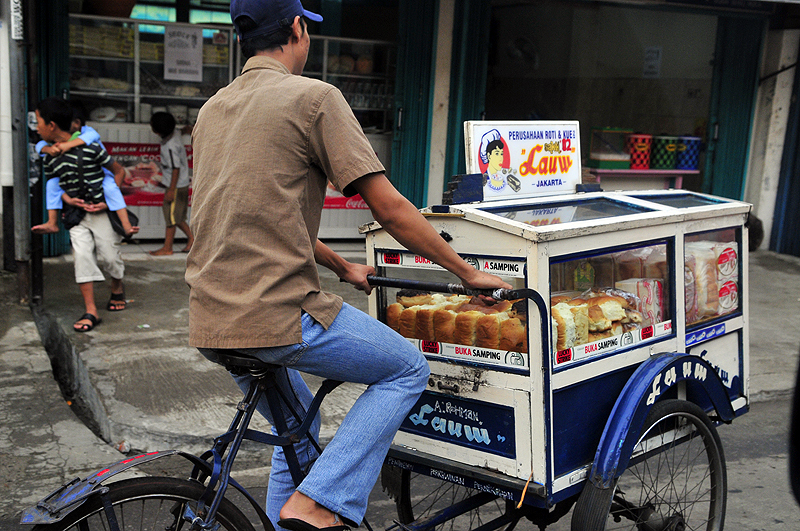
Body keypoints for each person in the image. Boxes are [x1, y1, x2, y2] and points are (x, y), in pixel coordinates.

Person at [185, 2, 511, 531]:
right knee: (407, 369)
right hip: (279, 313)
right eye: (306, 26)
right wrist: (466, 272)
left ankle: (298, 511)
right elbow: (389, 208)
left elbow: (258, 213)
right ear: (297, 28)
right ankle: (319, 505)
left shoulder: (213, 109)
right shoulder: (314, 98)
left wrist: (342, 267)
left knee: (298, 437)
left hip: (211, 319)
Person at [34, 96, 129, 331]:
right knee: (83, 257)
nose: (36, 128)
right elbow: (55, 185)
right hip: (77, 216)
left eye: (38, 122)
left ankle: (117, 287)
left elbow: (118, 171)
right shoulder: (50, 157)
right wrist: (68, 199)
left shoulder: (91, 147)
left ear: (52, 125)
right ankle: (91, 310)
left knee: (110, 257)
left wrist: (108, 201)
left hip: (101, 213)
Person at [32, 103, 139, 240]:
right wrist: (49, 149)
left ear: (76, 123)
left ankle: (126, 225)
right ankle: (52, 222)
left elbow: (89, 140)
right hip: (79, 207)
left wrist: (67, 145)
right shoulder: (52, 151)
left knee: (111, 189)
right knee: (52, 184)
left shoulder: (88, 133)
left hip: (104, 173)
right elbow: (39, 146)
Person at [148, 111, 194, 256]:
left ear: (156, 131)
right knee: (176, 217)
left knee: (172, 218)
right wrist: (186, 130)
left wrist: (170, 190)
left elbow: (176, 168)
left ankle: (168, 248)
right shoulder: (175, 134)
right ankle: (192, 239)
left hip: (176, 186)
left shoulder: (170, 146)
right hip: (179, 184)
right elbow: (180, 131)